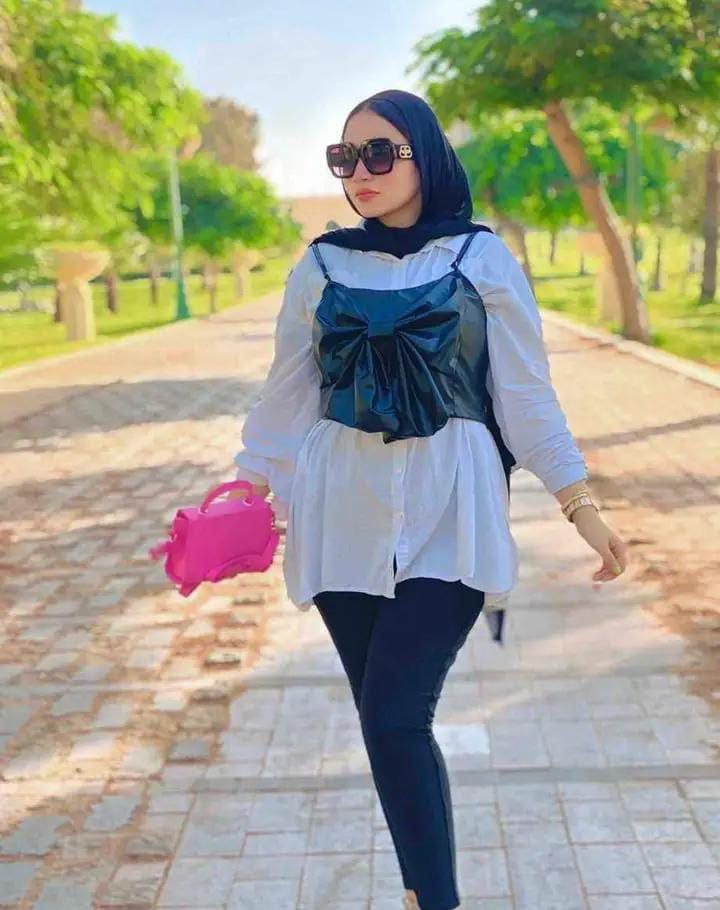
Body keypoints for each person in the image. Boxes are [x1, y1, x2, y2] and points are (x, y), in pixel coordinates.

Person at [230, 89, 628, 910]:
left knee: (395, 718)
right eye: (345, 158)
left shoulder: (480, 259)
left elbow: (526, 397)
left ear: (426, 156)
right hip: (341, 517)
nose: (361, 171)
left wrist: (579, 504)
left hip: (452, 513)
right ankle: (426, 895)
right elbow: (286, 396)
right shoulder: (321, 266)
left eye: (381, 152)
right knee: (385, 724)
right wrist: (245, 489)